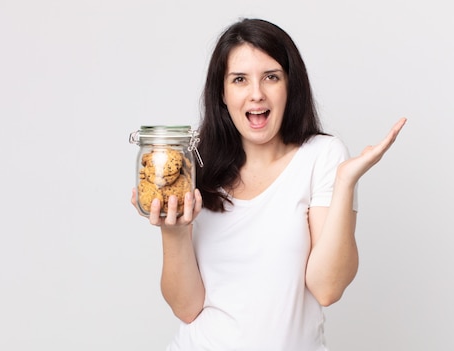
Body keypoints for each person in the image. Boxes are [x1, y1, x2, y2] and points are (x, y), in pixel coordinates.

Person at [132, 18, 406, 351]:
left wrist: (345, 183)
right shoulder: (195, 165)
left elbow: (328, 288)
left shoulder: (322, 155)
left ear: (291, 85)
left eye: (271, 77)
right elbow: (187, 308)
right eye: (239, 80)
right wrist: (172, 231)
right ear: (222, 92)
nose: (256, 94)